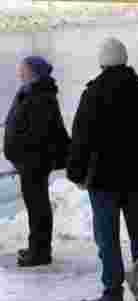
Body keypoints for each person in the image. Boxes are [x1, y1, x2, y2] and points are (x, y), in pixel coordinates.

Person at [67, 38, 138, 301]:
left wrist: (76, 172)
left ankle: (112, 293)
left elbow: (80, 139)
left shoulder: (93, 93)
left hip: (102, 181)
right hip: (136, 179)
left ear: (102, 62)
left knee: (107, 238)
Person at [4, 55, 69, 267]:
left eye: (22, 69)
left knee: (37, 206)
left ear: (32, 71)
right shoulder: (34, 92)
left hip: (34, 161)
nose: (19, 72)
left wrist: (22, 153)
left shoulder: (39, 95)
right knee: (36, 205)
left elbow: (38, 133)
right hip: (30, 161)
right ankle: (37, 247)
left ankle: (40, 252)